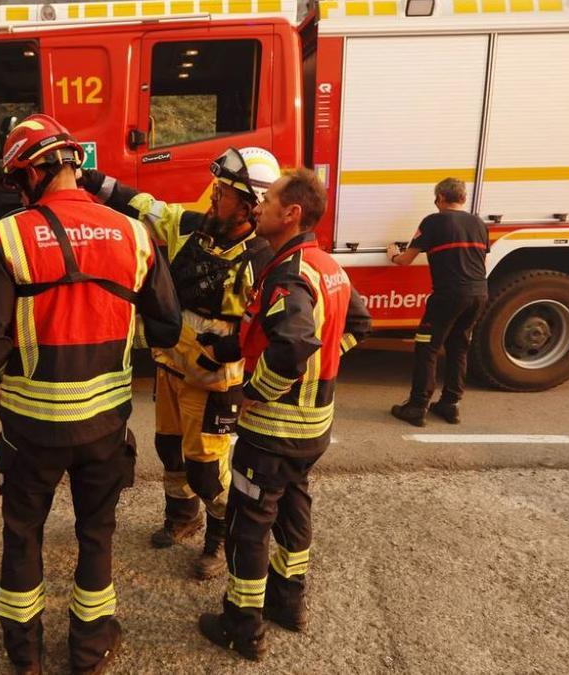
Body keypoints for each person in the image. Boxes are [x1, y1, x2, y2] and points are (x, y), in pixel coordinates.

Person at [0, 114, 181, 674]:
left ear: (34, 172)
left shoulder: (9, 235)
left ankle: (25, 654)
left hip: (30, 429)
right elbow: (167, 328)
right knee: (96, 535)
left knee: (22, 536)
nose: (17, 191)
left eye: (18, 180)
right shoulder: (134, 233)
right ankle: (89, 653)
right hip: (105, 428)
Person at [80, 146, 280, 580]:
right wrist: (95, 182)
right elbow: (145, 206)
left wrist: (253, 379)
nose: (213, 197)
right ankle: (183, 517)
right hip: (171, 366)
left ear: (251, 205)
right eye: (217, 188)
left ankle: (221, 535)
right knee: (169, 450)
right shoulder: (190, 229)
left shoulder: (262, 259)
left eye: (224, 193)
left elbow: (271, 330)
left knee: (208, 468)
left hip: (214, 381)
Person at [196, 169, 371, 660]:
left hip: (273, 432)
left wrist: (256, 392)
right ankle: (287, 604)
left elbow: (293, 346)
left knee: (248, 524)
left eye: (268, 200)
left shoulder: (289, 273)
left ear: (292, 213)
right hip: (312, 428)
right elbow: (358, 323)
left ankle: (242, 626)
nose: (259, 206)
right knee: (293, 511)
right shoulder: (326, 266)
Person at [386, 177, 489, 426]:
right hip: (479, 294)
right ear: (463, 198)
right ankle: (450, 404)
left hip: (448, 296)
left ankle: (417, 406)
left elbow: (405, 260)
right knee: (458, 346)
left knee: (427, 348)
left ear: (440, 198)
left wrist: (392, 253)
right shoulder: (478, 223)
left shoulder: (433, 222)